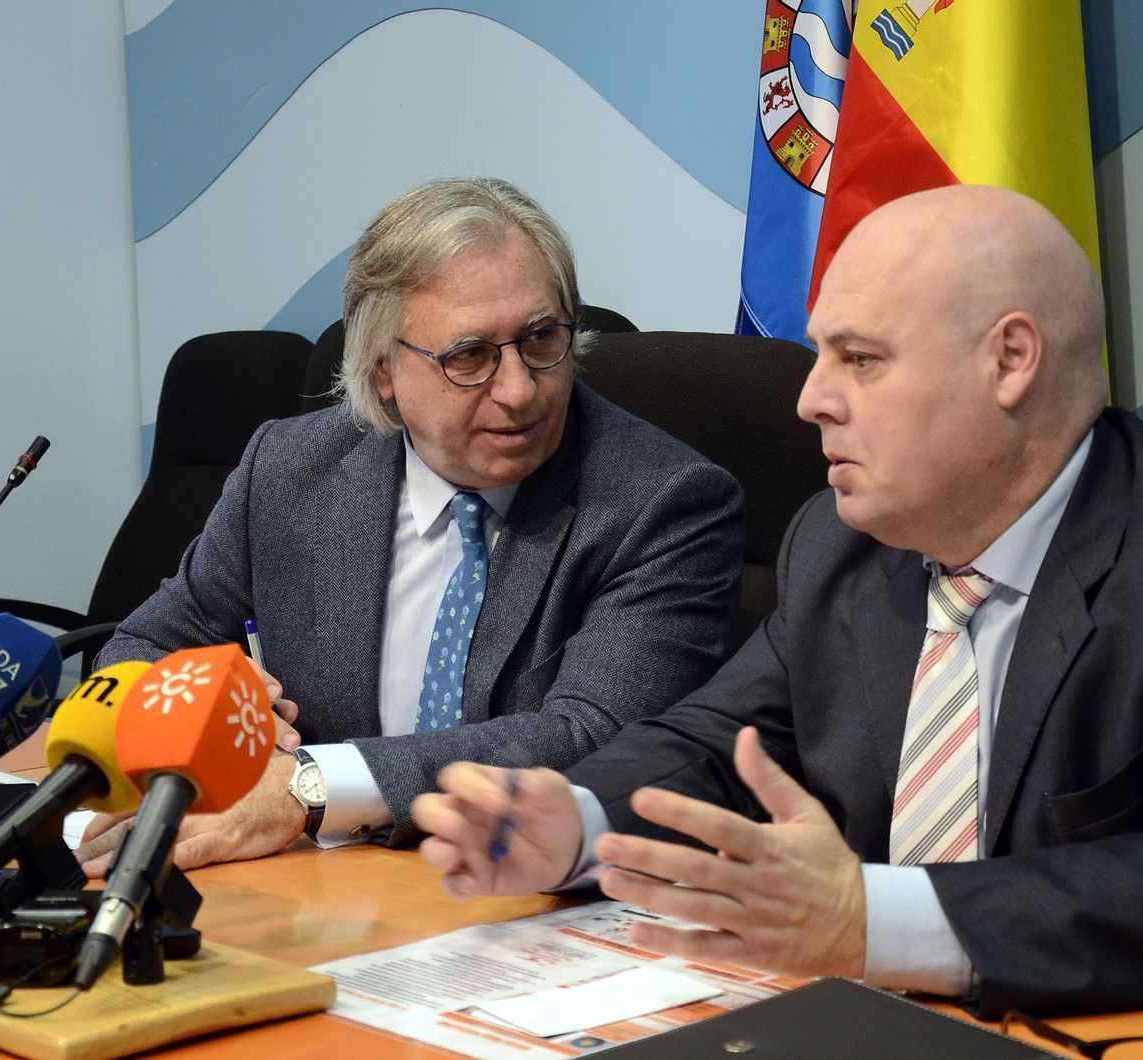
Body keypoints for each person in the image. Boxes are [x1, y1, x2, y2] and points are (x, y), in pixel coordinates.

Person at [413, 185, 1143, 1016]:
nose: (811, 401)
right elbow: (716, 745)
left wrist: (876, 921)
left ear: (1011, 360)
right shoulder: (841, 543)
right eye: (819, 356)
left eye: (859, 360)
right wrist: (574, 821)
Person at [81, 177, 744, 874]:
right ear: (384, 371)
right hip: (315, 888)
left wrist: (307, 785)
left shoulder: (664, 503)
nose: (520, 390)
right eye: (469, 356)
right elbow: (141, 648)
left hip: (529, 902)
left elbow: (593, 739)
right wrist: (200, 725)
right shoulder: (288, 470)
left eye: (542, 339)